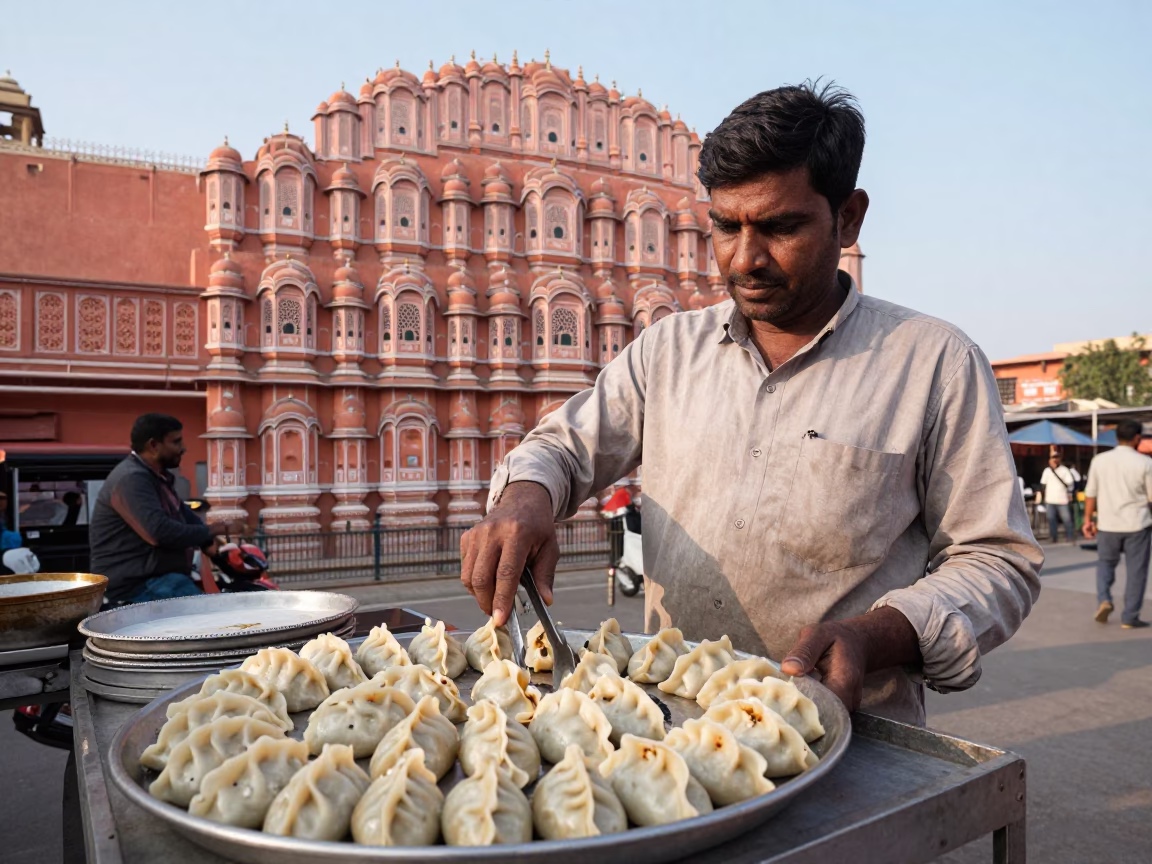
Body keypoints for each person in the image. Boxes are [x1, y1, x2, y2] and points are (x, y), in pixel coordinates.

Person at [459, 82, 1043, 725]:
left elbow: (996, 559)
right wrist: (525, 496)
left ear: (848, 218)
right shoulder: (668, 350)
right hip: (673, 730)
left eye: (779, 227)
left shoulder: (933, 363)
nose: (746, 258)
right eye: (725, 226)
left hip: (846, 731)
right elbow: (564, 446)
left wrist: (875, 635)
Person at [89, 413, 244, 604]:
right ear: (153, 445)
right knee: (212, 622)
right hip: (140, 585)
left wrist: (207, 541)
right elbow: (159, 532)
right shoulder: (132, 479)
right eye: (176, 442)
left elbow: (183, 514)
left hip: (161, 578)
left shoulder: (157, 477)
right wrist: (217, 528)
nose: (183, 448)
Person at [1082, 419, 1152, 629]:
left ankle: (1104, 599)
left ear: (1116, 437)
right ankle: (1129, 616)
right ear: (1138, 438)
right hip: (1137, 524)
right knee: (1136, 571)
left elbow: (1090, 494)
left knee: (1105, 564)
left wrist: (1088, 519)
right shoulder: (1145, 463)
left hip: (1107, 524)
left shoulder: (1100, 461)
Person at [1039, 450, 1078, 542]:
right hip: (1050, 500)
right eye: (1053, 458)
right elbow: (1043, 484)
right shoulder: (1047, 471)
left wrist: (1069, 494)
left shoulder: (1064, 470)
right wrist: (1043, 497)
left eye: (1056, 458)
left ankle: (1070, 536)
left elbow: (1070, 483)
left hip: (1062, 500)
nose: (1055, 460)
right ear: (1050, 460)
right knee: (1051, 519)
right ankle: (1053, 537)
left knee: (1066, 519)